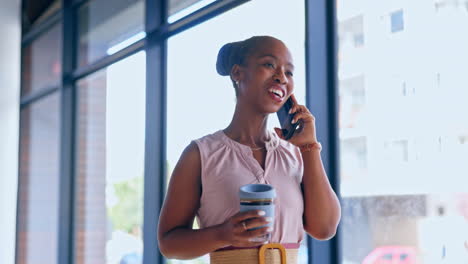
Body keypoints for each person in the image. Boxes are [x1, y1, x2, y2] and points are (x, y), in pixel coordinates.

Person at [158, 36, 341, 263]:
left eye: (289, 72)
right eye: (269, 64)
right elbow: (169, 244)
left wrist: (309, 148)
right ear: (237, 73)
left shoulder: (296, 154)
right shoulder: (201, 154)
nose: (281, 77)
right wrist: (222, 234)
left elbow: (325, 228)